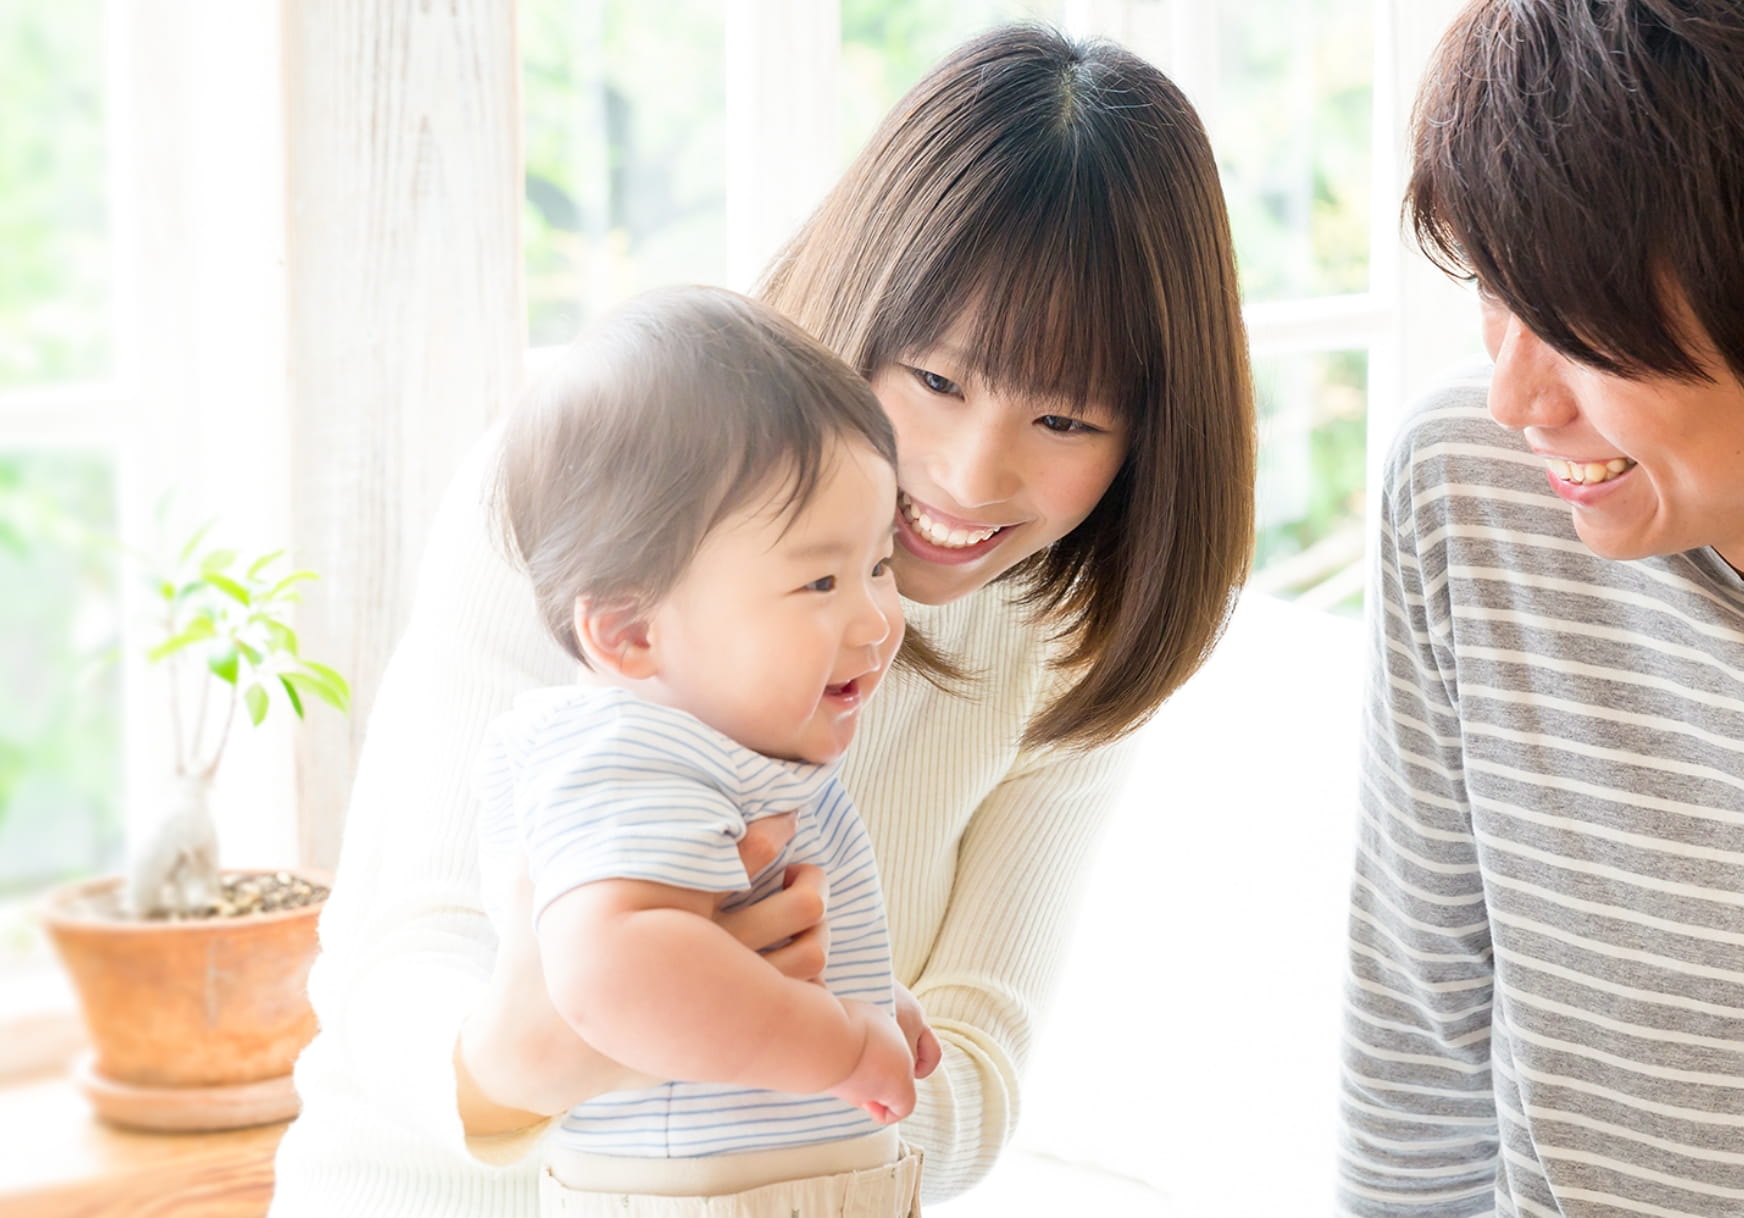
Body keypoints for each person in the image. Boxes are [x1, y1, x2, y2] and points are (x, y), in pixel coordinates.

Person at [271, 23, 1255, 1216]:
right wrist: (541, 1049)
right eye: (934, 381)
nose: (964, 475)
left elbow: (977, 1054)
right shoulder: (608, 482)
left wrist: (786, 1087)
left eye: (1065, 424)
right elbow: (401, 944)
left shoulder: (1064, 636)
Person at [1339, 2, 1744, 1215]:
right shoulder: (1468, 488)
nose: (1516, 398)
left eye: (1572, 327)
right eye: (1489, 287)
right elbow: (1421, 1033)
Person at [476, 285, 930, 1213]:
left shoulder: (724, 751)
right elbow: (618, 969)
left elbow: (746, 945)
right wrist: (835, 1042)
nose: (878, 617)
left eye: (878, 565)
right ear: (632, 632)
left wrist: (873, 997)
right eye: (819, 580)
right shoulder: (626, 753)